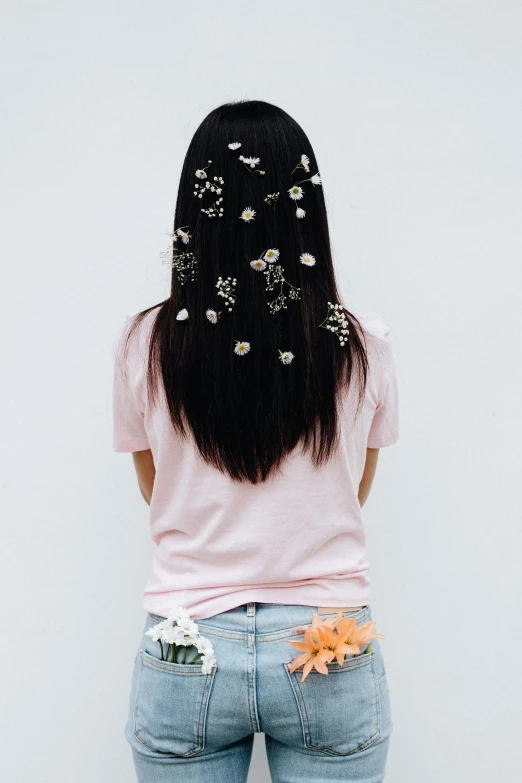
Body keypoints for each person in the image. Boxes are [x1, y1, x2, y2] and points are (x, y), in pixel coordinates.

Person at [113, 99, 399, 782]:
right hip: (328, 638)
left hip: (188, 642)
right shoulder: (360, 343)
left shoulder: (145, 343)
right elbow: (354, 483)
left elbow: (155, 484)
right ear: (305, 210)